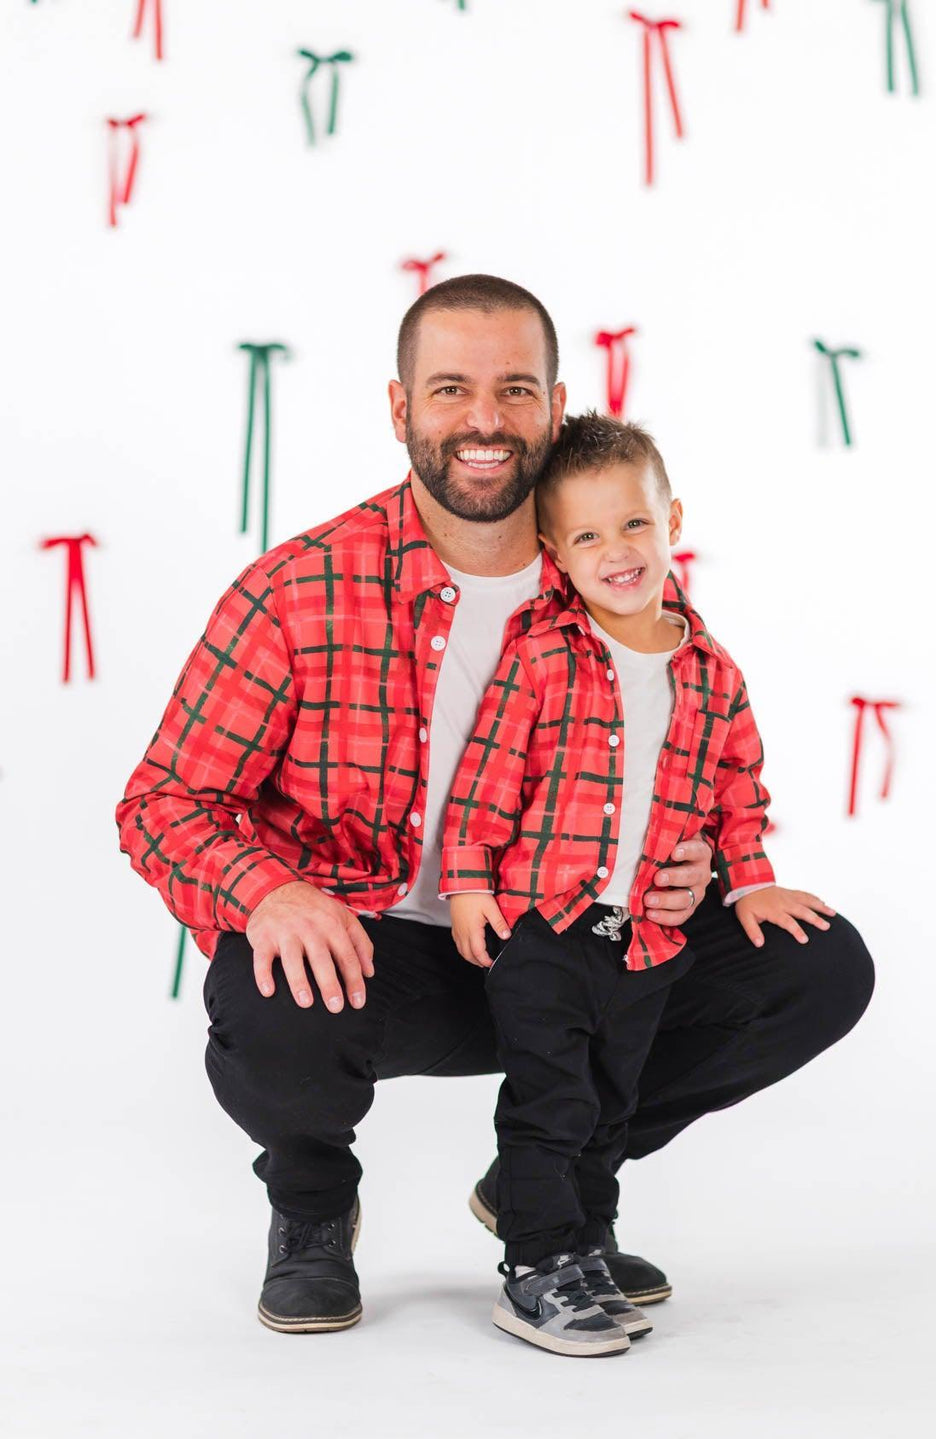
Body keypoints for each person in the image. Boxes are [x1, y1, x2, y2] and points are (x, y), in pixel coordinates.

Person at [114, 275, 874, 1336]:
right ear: (400, 410)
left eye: (515, 390)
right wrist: (272, 892)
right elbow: (165, 800)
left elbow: (683, 749)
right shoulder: (300, 590)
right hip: (383, 960)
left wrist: (700, 858)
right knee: (266, 977)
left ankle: (550, 1186)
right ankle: (313, 1207)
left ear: (554, 409)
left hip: (571, 939)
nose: (483, 420)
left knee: (816, 964)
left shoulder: (610, 573)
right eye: (450, 390)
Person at [443, 411, 840, 1356]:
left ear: (673, 520)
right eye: (586, 535)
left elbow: (739, 791)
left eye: (633, 524)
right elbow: (488, 778)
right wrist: (466, 884)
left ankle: (585, 1240)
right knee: (553, 1099)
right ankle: (536, 1268)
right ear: (555, 553)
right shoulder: (543, 655)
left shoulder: (711, 672)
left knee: (612, 1100)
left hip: (646, 937)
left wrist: (749, 885)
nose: (616, 551)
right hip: (546, 928)